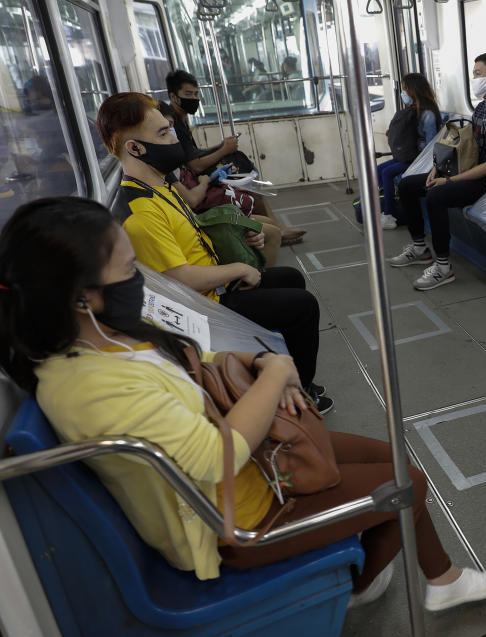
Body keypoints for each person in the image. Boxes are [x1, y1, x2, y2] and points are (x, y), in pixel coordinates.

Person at [0, 196, 486, 610]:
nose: (139, 278)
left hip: (246, 469)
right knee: (408, 483)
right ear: (81, 295)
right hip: (235, 519)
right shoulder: (89, 386)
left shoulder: (102, 335)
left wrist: (262, 363)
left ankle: (406, 566)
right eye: (129, 268)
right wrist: (280, 373)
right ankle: (374, 585)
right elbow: (214, 459)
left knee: (391, 455)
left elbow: (196, 356)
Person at [96, 92, 332, 413]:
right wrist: (239, 269)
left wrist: (240, 236)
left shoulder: (161, 186)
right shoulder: (141, 213)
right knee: (303, 306)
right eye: (164, 134)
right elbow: (180, 277)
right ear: (135, 148)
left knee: (290, 277)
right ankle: (301, 396)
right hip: (204, 308)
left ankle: (289, 373)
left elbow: (192, 233)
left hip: (215, 289)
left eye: (171, 129)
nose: (175, 139)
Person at [388, 52, 486, 290]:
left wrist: (449, 182)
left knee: (436, 196)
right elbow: (464, 146)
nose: (474, 79)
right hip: (470, 170)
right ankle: (420, 247)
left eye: (478, 74)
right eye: (473, 74)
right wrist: (438, 170)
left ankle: (443, 267)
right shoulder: (481, 109)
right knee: (408, 185)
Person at [166, 70, 306, 246]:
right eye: (188, 94)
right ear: (173, 96)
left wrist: (217, 147)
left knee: (249, 179)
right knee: (249, 184)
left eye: (196, 94)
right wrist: (223, 151)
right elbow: (195, 165)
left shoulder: (182, 119)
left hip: (195, 177)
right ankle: (276, 230)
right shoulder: (174, 124)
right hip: (195, 180)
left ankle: (276, 228)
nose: (194, 98)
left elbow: (191, 153)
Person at [155, 101, 282, 268]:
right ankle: (261, 280)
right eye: (165, 130)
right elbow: (192, 200)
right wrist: (205, 181)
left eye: (171, 127)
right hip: (200, 220)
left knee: (267, 222)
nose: (172, 133)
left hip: (199, 214)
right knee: (272, 233)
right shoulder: (164, 169)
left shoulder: (173, 158)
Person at [376, 73, 441, 229]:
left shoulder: (428, 114)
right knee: (379, 169)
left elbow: (430, 144)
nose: (403, 93)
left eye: (405, 89)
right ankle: (387, 204)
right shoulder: (412, 111)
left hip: (418, 159)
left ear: (414, 90)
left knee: (387, 173)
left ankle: (389, 214)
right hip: (408, 155)